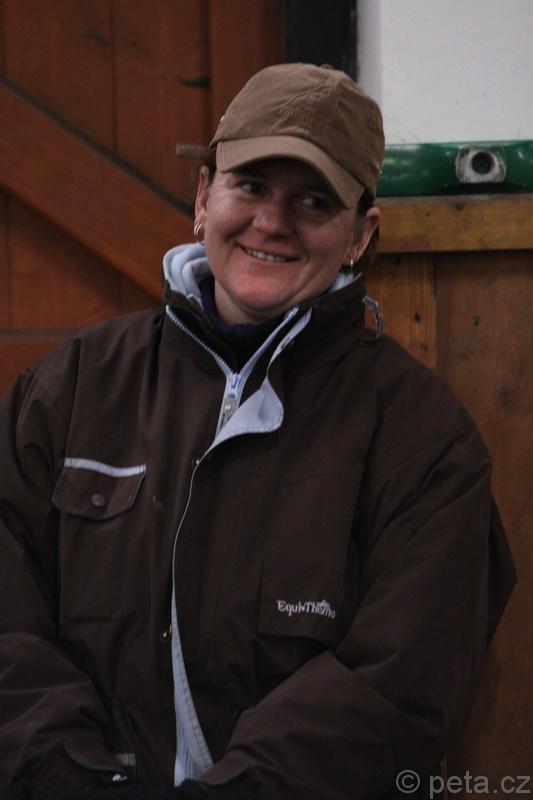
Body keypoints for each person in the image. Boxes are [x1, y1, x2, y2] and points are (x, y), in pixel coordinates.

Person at [0, 63, 516, 800]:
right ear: (203, 196)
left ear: (359, 235)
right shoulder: (69, 389)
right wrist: (72, 781)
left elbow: (398, 687)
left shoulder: (424, 440)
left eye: (313, 200)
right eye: (249, 186)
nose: (271, 222)